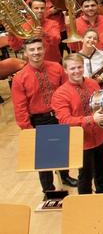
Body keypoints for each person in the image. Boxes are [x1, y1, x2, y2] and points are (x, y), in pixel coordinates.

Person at [11, 38, 78, 194]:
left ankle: (65, 176)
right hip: (39, 120)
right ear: (26, 53)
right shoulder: (19, 78)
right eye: (32, 50)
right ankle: (48, 189)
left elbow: (67, 91)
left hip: (59, 115)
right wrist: (27, 129)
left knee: (62, 149)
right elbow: (20, 107)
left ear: (44, 49)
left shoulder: (56, 67)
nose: (36, 53)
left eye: (39, 49)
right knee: (44, 157)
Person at [51, 54, 103, 194]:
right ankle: (84, 208)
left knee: (102, 176)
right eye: (72, 68)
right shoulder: (60, 94)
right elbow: (65, 120)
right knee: (85, 177)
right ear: (65, 70)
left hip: (101, 137)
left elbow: (100, 106)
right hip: (82, 142)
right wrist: (91, 119)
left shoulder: (93, 83)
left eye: (79, 67)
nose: (76, 71)